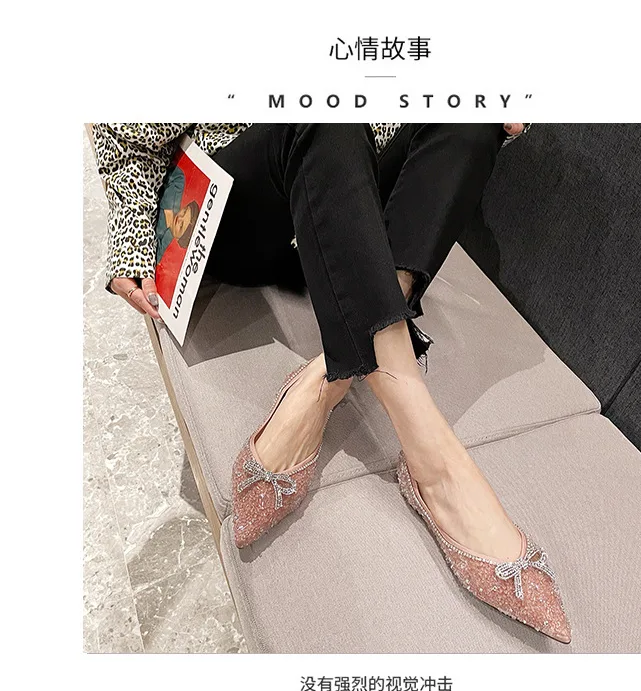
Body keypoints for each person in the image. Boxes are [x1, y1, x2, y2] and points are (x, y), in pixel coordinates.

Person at [92, 122, 570, 644]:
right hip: (245, 205)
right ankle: (433, 460)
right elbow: (125, 143)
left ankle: (327, 375)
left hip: (350, 203)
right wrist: (131, 246)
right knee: (320, 114)